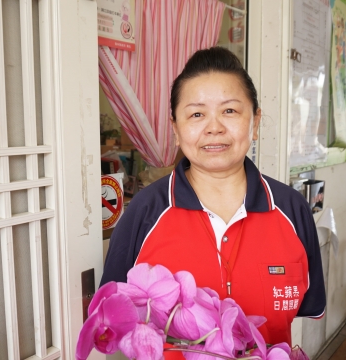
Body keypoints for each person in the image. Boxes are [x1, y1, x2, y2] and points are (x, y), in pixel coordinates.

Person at [101, 47, 326, 349]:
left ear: (255, 122)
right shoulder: (145, 212)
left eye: (230, 111)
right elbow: (115, 317)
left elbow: (304, 307)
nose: (214, 127)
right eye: (196, 114)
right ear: (176, 129)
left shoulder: (291, 210)